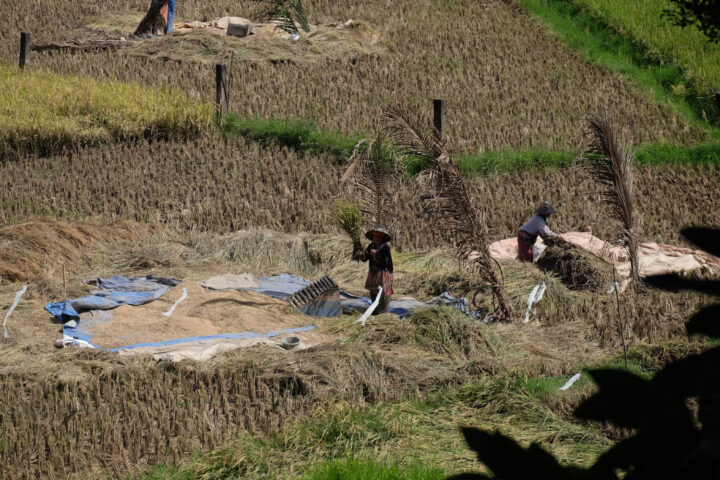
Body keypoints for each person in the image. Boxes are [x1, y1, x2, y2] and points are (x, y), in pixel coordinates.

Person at [359, 225, 394, 314]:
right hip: (374, 274)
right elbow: (365, 258)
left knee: (383, 294)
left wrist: (376, 256)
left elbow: (385, 262)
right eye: (375, 236)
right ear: (373, 237)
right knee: (374, 293)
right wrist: (359, 253)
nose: (377, 238)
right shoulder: (371, 246)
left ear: (382, 238)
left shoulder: (385, 248)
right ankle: (375, 312)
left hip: (384, 274)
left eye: (379, 237)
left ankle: (383, 313)